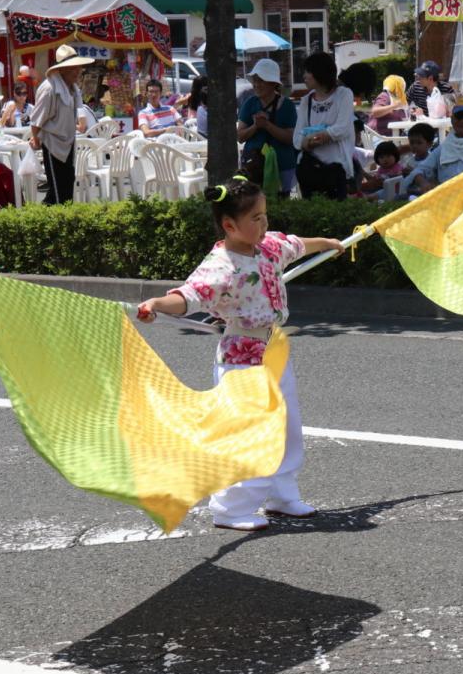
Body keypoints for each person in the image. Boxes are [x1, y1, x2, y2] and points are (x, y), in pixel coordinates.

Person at [135, 178, 344, 531]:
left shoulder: (270, 247)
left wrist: (330, 244)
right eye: (255, 219)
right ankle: (231, 508)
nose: (263, 225)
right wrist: (156, 303)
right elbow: (188, 296)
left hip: (274, 348)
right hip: (240, 354)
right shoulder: (221, 265)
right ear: (229, 225)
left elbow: (297, 245)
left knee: (286, 424)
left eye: (265, 216)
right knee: (248, 432)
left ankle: (282, 493)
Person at [31, 44, 94, 205]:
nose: (78, 71)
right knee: (58, 188)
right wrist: (36, 140)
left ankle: (56, 219)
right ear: (63, 69)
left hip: (68, 141)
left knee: (67, 183)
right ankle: (57, 220)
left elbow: (78, 112)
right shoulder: (49, 89)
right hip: (53, 143)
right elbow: (36, 120)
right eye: (73, 68)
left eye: (78, 67)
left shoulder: (72, 88)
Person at [292, 51, 355, 200]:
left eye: (308, 71)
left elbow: (343, 128)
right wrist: (307, 143)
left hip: (336, 169)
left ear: (319, 73)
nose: (304, 76)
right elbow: (296, 139)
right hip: (310, 170)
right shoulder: (306, 101)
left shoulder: (343, 95)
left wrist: (320, 136)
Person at [404, 97, 463, 195]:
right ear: (452, 119)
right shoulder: (443, 148)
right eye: (459, 116)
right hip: (445, 200)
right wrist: (423, 182)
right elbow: (420, 169)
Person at [238, 58, 299, 196]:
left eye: (261, 80)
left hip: (282, 166)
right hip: (253, 166)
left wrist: (267, 125)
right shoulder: (250, 103)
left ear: (273, 83)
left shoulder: (287, 105)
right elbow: (240, 136)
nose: (257, 85)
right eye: (255, 80)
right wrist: (255, 126)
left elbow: (290, 138)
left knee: (281, 205)